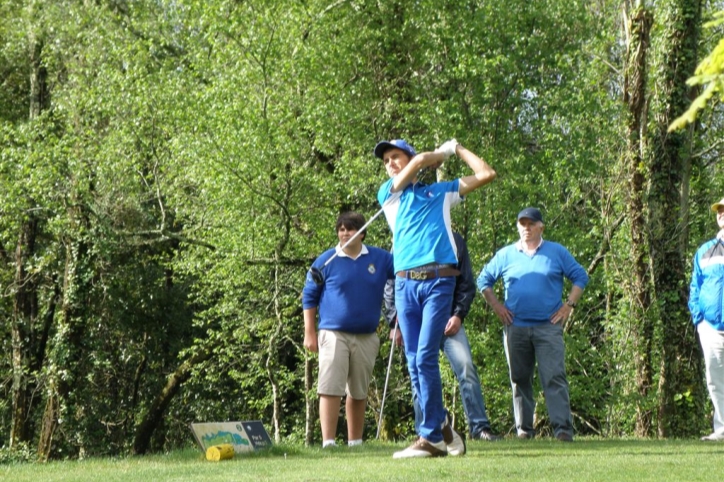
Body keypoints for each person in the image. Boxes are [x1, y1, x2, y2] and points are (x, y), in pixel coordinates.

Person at [375, 138, 496, 458]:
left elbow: (486, 174)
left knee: (425, 357)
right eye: (386, 160)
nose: (391, 164)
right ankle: (443, 427)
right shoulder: (388, 195)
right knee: (414, 362)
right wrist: (433, 156)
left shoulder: (438, 193)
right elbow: (418, 165)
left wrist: (457, 149)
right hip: (404, 286)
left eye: (396, 157)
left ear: (410, 156)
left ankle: (429, 438)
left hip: (438, 282)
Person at [477, 207, 588, 442]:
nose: (526, 228)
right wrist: (497, 306)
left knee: (554, 377)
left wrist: (569, 305)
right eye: (522, 224)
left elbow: (580, 276)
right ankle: (524, 430)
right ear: (517, 226)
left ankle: (563, 431)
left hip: (548, 327)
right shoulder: (506, 254)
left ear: (541, 227)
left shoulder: (556, 252)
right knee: (519, 379)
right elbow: (483, 280)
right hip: (515, 327)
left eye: (531, 224)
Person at [383, 231, 500, 442]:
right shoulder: (404, 236)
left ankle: (479, 427)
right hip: (416, 321)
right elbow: (392, 283)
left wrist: (458, 314)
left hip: (448, 321)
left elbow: (466, 282)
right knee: (418, 368)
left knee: (465, 367)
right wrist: (394, 322)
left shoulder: (454, 240)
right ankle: (426, 431)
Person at [302, 211, 395, 448]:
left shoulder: (381, 258)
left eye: (350, 229)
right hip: (333, 333)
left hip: (367, 335)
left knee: (358, 390)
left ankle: (355, 442)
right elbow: (309, 296)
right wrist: (309, 332)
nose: (344, 233)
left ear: (362, 233)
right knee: (330, 387)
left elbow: (402, 279)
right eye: (341, 229)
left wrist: (398, 320)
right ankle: (329, 442)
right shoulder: (326, 260)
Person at [689, 197, 724, 442]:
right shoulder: (705, 250)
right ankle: (722, 429)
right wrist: (699, 320)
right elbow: (695, 287)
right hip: (711, 328)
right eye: (719, 211)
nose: (721, 214)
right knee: (715, 380)